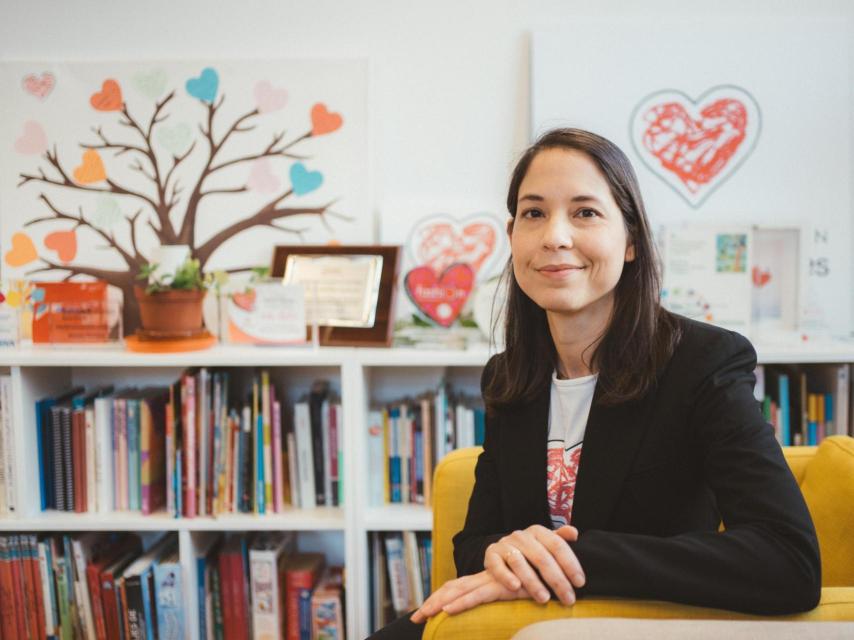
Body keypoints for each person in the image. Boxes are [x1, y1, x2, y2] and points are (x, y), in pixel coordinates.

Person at [368, 128, 820, 639]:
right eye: (534, 213)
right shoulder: (510, 375)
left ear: (630, 240)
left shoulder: (703, 362)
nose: (554, 236)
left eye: (585, 212)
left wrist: (576, 558)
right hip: (528, 625)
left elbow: (789, 561)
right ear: (513, 234)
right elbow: (474, 544)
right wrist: (502, 552)